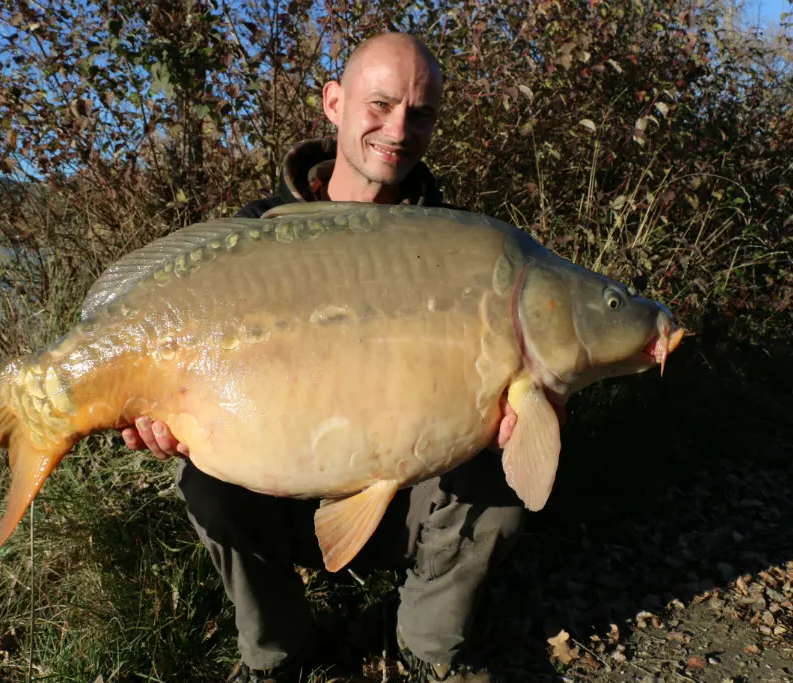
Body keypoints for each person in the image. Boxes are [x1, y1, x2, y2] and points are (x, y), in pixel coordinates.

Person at [121, 32, 542, 683]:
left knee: (503, 476)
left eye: (421, 113)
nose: (399, 129)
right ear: (334, 102)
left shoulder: (462, 246)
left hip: (411, 494)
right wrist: (157, 412)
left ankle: (426, 646)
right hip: (284, 485)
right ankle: (279, 652)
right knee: (200, 479)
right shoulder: (258, 232)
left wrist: (523, 412)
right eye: (380, 104)